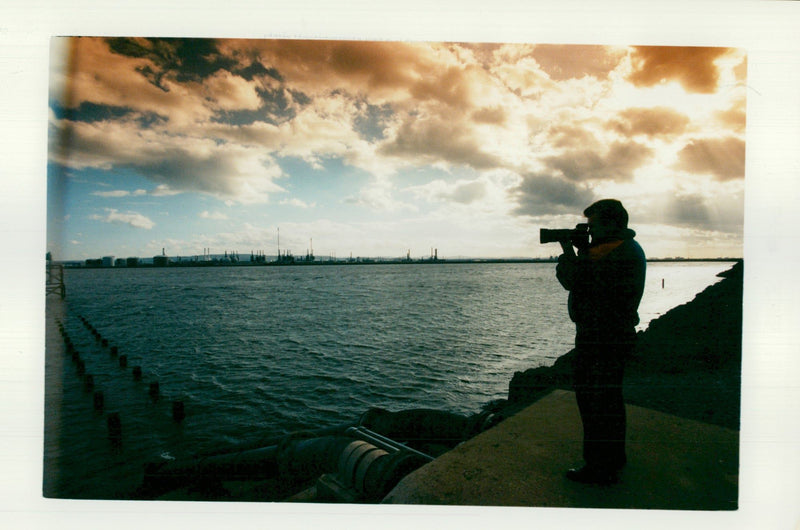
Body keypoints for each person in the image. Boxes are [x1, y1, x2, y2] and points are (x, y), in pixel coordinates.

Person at [555, 199, 646, 485]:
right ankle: (613, 458)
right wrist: (583, 248)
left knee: (595, 401)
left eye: (593, 226)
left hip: (601, 338)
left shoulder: (614, 252)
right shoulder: (624, 248)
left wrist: (569, 249)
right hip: (612, 335)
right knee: (608, 400)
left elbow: (573, 279)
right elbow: (589, 278)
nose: (590, 232)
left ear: (612, 224)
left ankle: (599, 469)